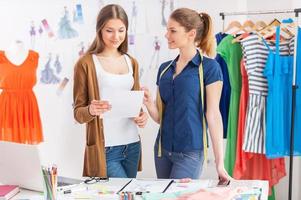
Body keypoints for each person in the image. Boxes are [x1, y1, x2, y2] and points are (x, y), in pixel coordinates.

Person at [142, 8, 231, 181]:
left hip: (190, 154)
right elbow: (162, 117)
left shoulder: (210, 68)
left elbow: (213, 115)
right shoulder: (164, 69)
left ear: (191, 34)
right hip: (162, 151)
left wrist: (220, 163)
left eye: (173, 30)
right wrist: (150, 104)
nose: (167, 35)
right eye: (167, 30)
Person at [73, 4, 148, 178]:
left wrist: (142, 116)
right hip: (106, 149)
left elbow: (135, 105)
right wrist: (91, 110)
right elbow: (78, 113)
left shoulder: (132, 62)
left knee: (129, 195)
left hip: (132, 145)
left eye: (121, 30)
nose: (116, 36)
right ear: (100, 30)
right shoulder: (86, 64)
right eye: (109, 30)